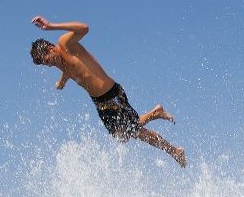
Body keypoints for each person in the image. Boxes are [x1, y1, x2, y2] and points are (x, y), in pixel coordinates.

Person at [30, 18, 186, 167]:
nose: (48, 65)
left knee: (130, 129)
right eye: (45, 64)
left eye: (47, 60)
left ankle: (156, 113)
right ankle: (174, 151)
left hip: (111, 93)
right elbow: (71, 70)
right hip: (99, 102)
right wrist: (62, 82)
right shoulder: (59, 63)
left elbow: (84, 28)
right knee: (126, 135)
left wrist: (51, 26)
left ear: (51, 49)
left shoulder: (64, 43)